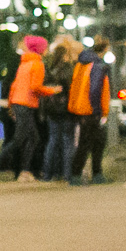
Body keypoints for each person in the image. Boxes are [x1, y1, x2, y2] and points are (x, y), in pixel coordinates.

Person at [0, 33, 45, 182]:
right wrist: (51, 90)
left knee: (31, 137)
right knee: (21, 138)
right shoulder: (35, 63)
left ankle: (24, 171)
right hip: (26, 104)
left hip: (19, 103)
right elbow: (35, 87)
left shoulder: (24, 62)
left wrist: (11, 104)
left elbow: (13, 85)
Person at [71, 34, 113, 184]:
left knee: (90, 142)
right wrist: (98, 111)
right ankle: (91, 174)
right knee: (93, 142)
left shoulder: (83, 63)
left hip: (81, 108)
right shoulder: (97, 65)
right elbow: (95, 89)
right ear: (105, 49)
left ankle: (88, 174)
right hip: (91, 110)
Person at [37, 36, 79, 184]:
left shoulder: (49, 68)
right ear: (66, 54)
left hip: (51, 110)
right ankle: (68, 174)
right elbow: (70, 89)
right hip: (66, 109)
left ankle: (48, 173)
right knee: (68, 141)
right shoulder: (68, 69)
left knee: (53, 140)